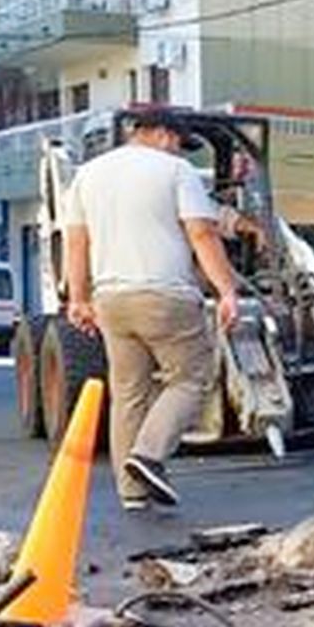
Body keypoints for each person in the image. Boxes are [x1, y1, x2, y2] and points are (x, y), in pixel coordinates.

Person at [62, 110, 240, 510]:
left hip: (111, 300)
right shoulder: (176, 171)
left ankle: (132, 493)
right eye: (179, 142)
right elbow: (201, 232)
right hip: (166, 297)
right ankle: (149, 455)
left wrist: (78, 299)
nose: (181, 151)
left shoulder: (87, 175)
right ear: (161, 134)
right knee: (192, 378)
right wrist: (226, 291)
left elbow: (77, 242)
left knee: (129, 393)